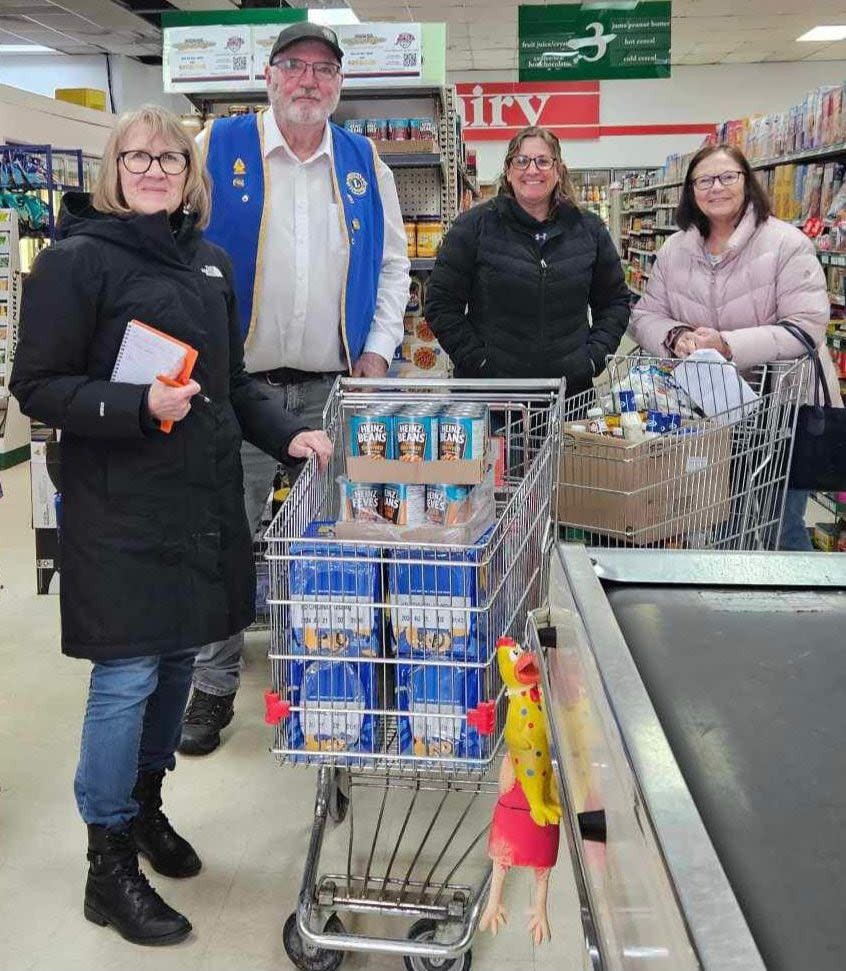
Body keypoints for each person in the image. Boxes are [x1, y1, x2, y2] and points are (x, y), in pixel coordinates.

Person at [10, 105, 332, 947]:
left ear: (190, 177)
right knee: (125, 677)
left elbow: (234, 385)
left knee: (178, 660)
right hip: (118, 505)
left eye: (169, 158)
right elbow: (38, 387)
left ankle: (146, 810)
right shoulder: (75, 264)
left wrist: (286, 430)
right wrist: (134, 404)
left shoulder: (212, 264)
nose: (155, 168)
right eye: (137, 156)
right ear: (113, 170)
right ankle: (105, 861)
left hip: (199, 503)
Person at [180, 21, 410, 755]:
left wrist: (376, 352)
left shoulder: (364, 159)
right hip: (238, 391)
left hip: (336, 389)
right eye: (294, 66)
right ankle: (213, 683)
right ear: (269, 75)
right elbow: (176, 253)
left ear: (340, 84)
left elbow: (394, 267)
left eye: (323, 69)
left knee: (347, 534)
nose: (309, 79)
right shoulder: (218, 148)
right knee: (225, 538)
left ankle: (341, 668)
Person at [629, 142, 843, 550]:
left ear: (747, 183)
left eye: (728, 177)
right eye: (704, 180)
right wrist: (676, 336)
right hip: (712, 412)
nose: (716, 188)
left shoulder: (786, 243)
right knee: (723, 521)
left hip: (783, 412)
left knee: (781, 526)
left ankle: (805, 610)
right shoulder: (676, 249)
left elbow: (806, 327)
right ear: (691, 191)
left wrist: (728, 344)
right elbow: (645, 315)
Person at [425, 125, 629, 393]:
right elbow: (441, 304)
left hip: (567, 397)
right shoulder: (473, 227)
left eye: (543, 161)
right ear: (509, 171)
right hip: (490, 399)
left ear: (558, 171)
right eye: (521, 161)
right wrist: (479, 361)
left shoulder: (589, 230)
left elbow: (615, 302)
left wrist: (591, 360)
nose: (532, 170)